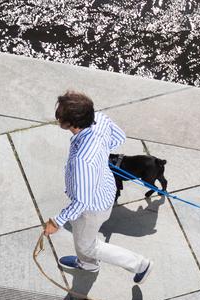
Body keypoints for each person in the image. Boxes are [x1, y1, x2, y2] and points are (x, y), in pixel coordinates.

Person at [42, 91, 152, 284]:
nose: (57, 117)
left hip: (92, 207)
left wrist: (56, 222)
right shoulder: (99, 119)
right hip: (105, 190)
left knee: (87, 246)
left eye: (60, 115)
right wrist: (100, 152)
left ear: (71, 123)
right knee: (81, 233)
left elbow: (82, 201)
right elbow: (119, 138)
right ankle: (88, 264)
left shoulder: (83, 160)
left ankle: (140, 265)